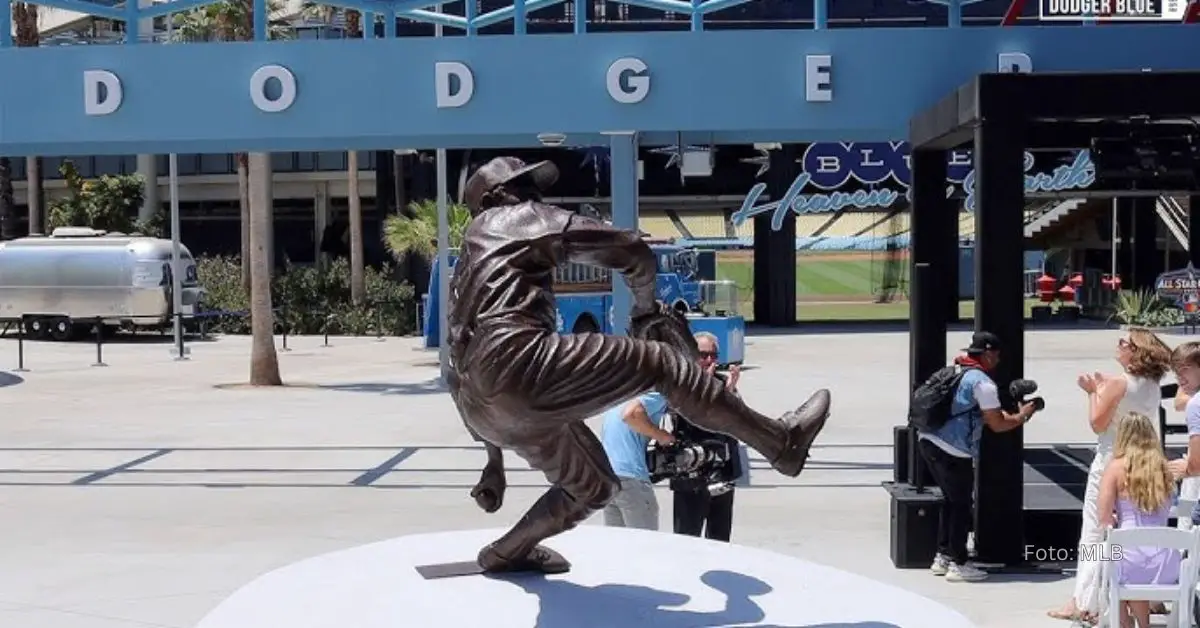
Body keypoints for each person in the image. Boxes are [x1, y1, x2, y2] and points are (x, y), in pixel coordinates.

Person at [445, 156, 833, 574]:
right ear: (498, 197)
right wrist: (645, 310)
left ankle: (506, 551)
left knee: (593, 487)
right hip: (520, 367)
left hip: (482, 406)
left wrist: (493, 461)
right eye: (524, 186)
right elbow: (632, 252)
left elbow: (456, 367)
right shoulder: (515, 217)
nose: (535, 195)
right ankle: (781, 443)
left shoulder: (467, 260)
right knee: (663, 364)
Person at [1050, 328, 1171, 623]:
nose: (1118, 346)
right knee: (1139, 527)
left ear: (1135, 351)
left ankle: (1084, 600)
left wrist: (1093, 393)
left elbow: (1098, 423)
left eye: (1124, 343)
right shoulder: (1152, 384)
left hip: (1111, 460)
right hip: (1142, 460)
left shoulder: (1119, 383)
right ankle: (1147, 595)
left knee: (1094, 531)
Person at [918, 331, 1037, 583]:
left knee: (951, 502)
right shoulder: (983, 383)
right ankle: (959, 564)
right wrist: (1024, 414)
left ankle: (943, 556)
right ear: (987, 353)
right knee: (961, 506)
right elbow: (998, 424)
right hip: (954, 449)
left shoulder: (955, 368)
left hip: (928, 441)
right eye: (996, 353)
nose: (999, 358)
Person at [1096, 411, 1181, 628]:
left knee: (1099, 557)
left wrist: (1116, 515)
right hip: (1166, 560)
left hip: (1129, 557)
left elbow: (1103, 518)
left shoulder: (1115, 467)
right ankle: (1142, 624)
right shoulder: (1165, 468)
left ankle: (1126, 622)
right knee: (1125, 561)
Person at [671, 332, 748, 543]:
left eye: (713, 356)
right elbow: (693, 414)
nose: (709, 361)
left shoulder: (723, 384)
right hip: (692, 474)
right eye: (703, 355)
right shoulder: (680, 384)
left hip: (721, 472)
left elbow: (738, 421)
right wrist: (706, 386)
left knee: (720, 537)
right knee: (687, 538)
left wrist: (729, 392)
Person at [599, 392, 674, 531]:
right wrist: (661, 435)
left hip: (608, 477)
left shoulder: (619, 397)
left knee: (618, 546)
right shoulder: (658, 393)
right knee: (645, 544)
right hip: (631, 478)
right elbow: (631, 414)